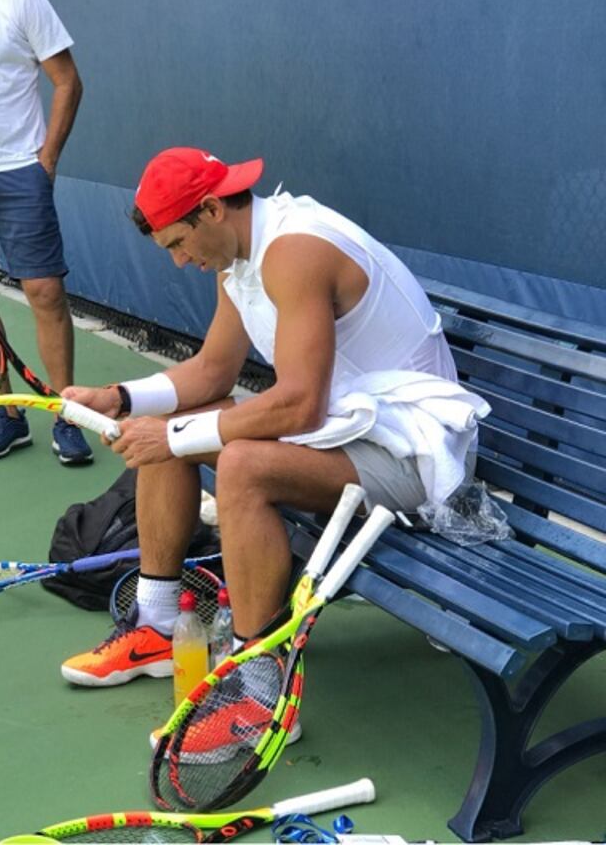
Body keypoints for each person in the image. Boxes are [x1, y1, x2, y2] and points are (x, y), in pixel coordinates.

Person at [58, 147, 483, 708]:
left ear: (211, 209)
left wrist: (174, 438)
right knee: (172, 427)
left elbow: (300, 405)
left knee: (240, 465)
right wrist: (120, 397)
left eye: (179, 245)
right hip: (349, 431)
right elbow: (213, 370)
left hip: (416, 456)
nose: (181, 262)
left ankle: (258, 690)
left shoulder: (295, 251)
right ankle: (158, 629)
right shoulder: (239, 257)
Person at [0, 0, 89, 464]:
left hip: (20, 169)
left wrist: (47, 162)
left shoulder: (20, 2)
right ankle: (8, 414)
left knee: (45, 292)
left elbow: (68, 82)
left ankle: (69, 415)